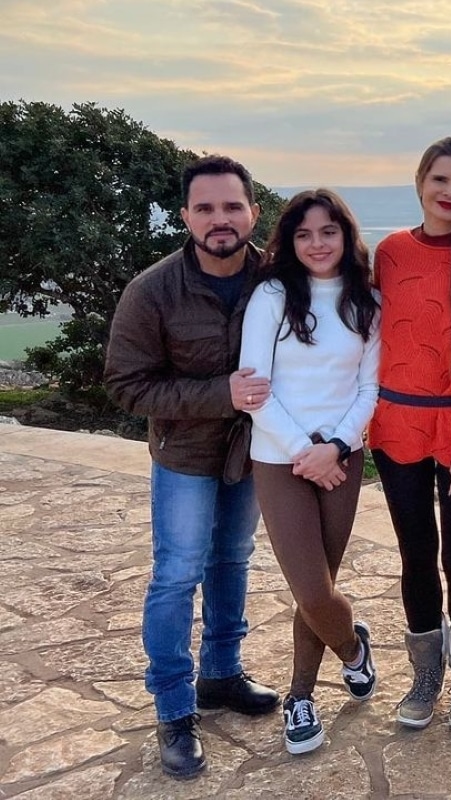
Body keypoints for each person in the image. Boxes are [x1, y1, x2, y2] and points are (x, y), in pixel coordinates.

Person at [105, 155, 280, 780]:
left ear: (253, 213)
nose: (220, 219)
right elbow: (126, 385)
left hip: (251, 456)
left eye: (232, 206)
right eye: (204, 208)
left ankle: (223, 675)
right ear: (185, 216)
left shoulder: (277, 279)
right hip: (183, 456)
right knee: (177, 576)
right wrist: (219, 396)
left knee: (233, 560)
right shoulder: (152, 290)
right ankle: (175, 710)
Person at [239, 189, 381, 755]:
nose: (317, 244)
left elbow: (370, 388)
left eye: (328, 232)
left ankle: (301, 694)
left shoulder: (367, 302)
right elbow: (254, 389)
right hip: (279, 456)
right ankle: (352, 651)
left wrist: (339, 446)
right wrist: (306, 450)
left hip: (342, 459)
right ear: (289, 241)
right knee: (312, 588)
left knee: (316, 588)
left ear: (346, 236)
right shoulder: (272, 296)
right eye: (304, 234)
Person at [369, 136, 451, 730]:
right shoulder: (391, 252)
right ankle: (426, 674)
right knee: (416, 553)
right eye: (440, 179)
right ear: (420, 180)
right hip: (396, 423)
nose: (450, 193)